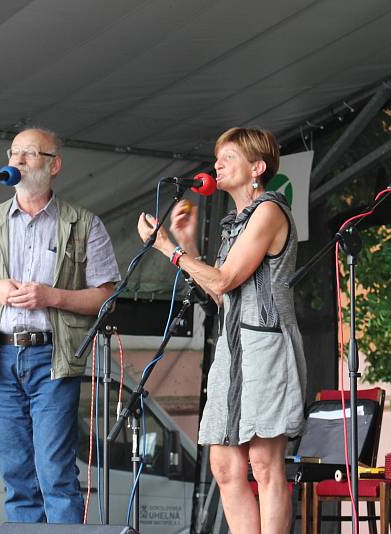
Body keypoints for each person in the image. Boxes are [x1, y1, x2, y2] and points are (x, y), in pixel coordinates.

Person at [137, 127, 305, 533]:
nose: (217, 164)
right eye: (218, 157)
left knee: (265, 464)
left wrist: (168, 249)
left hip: (265, 348)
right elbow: (223, 295)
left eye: (228, 157)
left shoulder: (269, 211)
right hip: (234, 351)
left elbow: (225, 279)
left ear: (257, 168)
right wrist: (188, 245)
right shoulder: (235, 224)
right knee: (225, 465)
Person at [0, 127, 119, 523]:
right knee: (15, 473)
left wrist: (51, 297)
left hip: (52, 355)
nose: (18, 161)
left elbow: (105, 298)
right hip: (0, 355)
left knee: (55, 471)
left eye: (29, 153)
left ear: (54, 164)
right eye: (14, 153)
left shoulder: (84, 224)